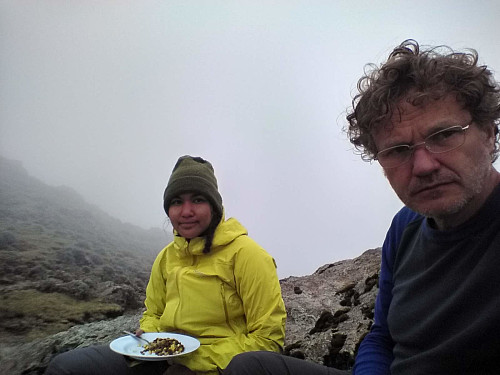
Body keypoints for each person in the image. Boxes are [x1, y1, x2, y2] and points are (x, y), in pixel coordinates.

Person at [224, 39, 500, 375]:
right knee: (252, 367)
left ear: (488, 132)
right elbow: (382, 336)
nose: (424, 166)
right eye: (398, 150)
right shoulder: (405, 228)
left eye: (443, 135)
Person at [45, 155, 286, 375]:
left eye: (198, 200)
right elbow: (154, 313)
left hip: (218, 365)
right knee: (65, 367)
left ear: (214, 206)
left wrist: (194, 361)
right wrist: (148, 335)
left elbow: (268, 339)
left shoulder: (248, 255)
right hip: (158, 356)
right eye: (177, 202)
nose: (186, 211)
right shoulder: (166, 257)